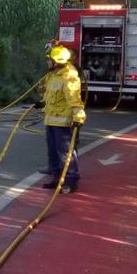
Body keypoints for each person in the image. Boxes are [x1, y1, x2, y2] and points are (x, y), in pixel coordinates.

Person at [40, 45, 85, 193]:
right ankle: (57, 178)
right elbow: (50, 94)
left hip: (63, 122)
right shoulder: (54, 74)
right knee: (53, 152)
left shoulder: (69, 76)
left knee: (65, 152)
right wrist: (42, 102)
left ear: (55, 61)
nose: (47, 62)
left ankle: (70, 181)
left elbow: (74, 100)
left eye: (49, 59)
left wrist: (78, 117)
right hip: (51, 120)